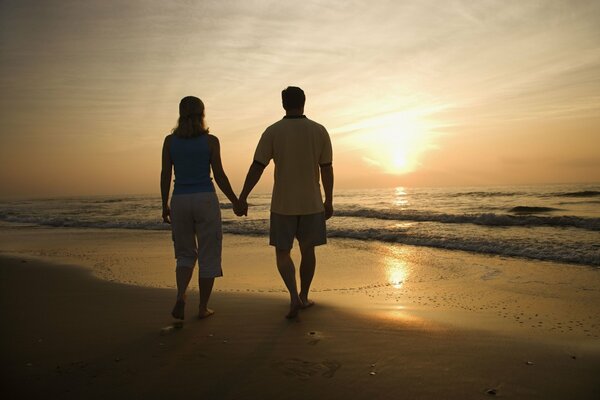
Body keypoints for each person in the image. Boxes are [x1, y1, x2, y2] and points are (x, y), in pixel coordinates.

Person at [237, 86, 334, 319]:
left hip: (282, 204)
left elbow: (257, 166)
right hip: (311, 202)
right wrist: (328, 200)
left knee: (283, 252)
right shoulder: (319, 130)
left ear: (283, 104)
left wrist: (243, 196)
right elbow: (327, 169)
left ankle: (292, 296)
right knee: (308, 250)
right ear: (304, 102)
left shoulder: (273, 131)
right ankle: (303, 295)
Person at [161, 96, 241, 320]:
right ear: (202, 114)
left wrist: (163, 204)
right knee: (209, 254)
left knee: (185, 255)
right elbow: (220, 175)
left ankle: (180, 297)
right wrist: (235, 200)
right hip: (205, 199)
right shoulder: (211, 141)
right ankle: (202, 307)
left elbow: (166, 174)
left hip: (180, 200)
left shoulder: (170, 141)